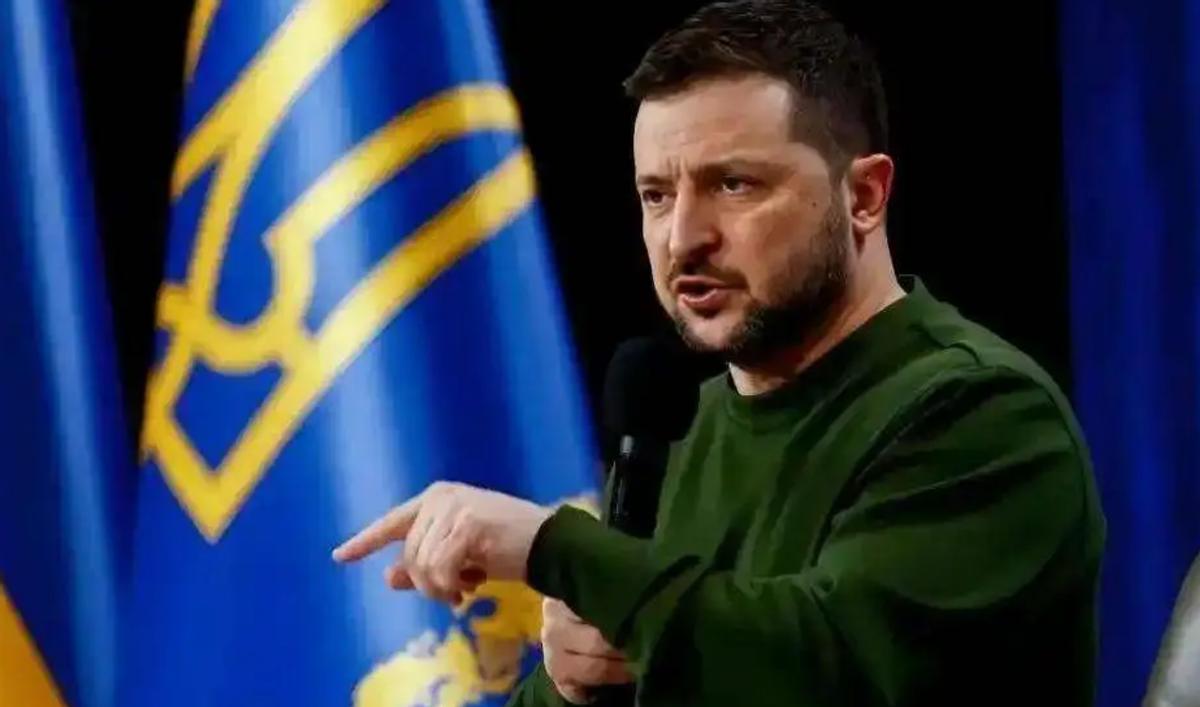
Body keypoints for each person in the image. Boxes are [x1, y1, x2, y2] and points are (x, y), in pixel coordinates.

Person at [332, 1, 1107, 704]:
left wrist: (554, 548)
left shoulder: (984, 414)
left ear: (865, 196)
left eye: (734, 185)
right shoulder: (680, 429)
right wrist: (571, 685)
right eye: (657, 195)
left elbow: (824, 670)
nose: (683, 239)